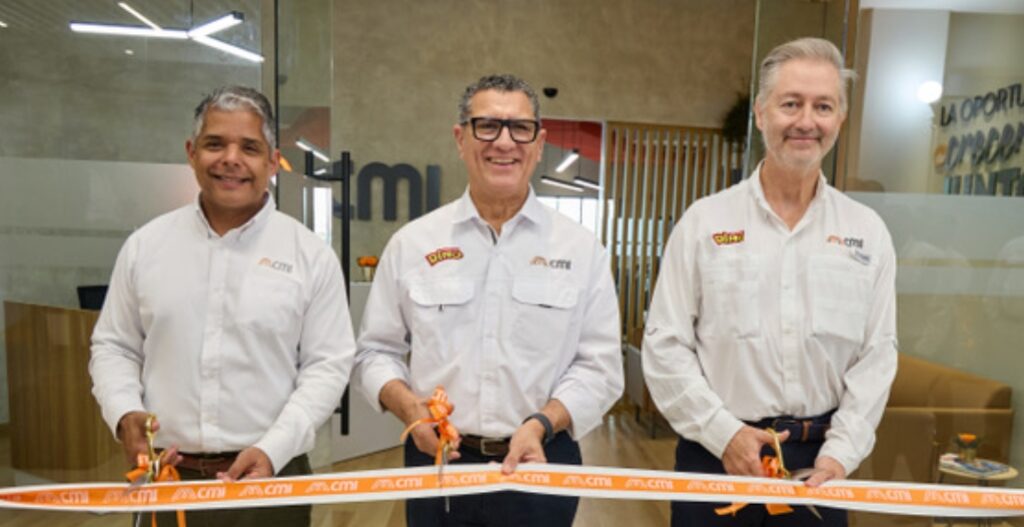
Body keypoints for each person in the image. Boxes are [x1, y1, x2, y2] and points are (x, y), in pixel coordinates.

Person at [642, 38, 897, 526]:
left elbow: (877, 356)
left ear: (840, 119)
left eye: (823, 106)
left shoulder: (867, 232)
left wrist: (839, 454)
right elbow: (665, 344)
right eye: (791, 104)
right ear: (760, 114)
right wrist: (725, 434)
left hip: (819, 466)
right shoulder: (704, 223)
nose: (807, 121)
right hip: (715, 454)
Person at [353, 74, 623, 527]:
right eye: (487, 126)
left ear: (539, 143)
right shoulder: (413, 244)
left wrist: (542, 423)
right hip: (438, 461)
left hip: (543, 460)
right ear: (461, 139)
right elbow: (375, 352)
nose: (504, 142)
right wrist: (408, 407)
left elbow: (601, 368)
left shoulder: (581, 250)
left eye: (520, 128)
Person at [89, 85, 355, 526]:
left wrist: (273, 448)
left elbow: (328, 366)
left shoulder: (310, 255)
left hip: (271, 480)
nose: (231, 159)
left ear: (273, 162)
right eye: (215, 144)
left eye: (249, 148)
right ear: (191, 153)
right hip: (167, 480)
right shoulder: (145, 247)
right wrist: (123, 412)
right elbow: (115, 346)